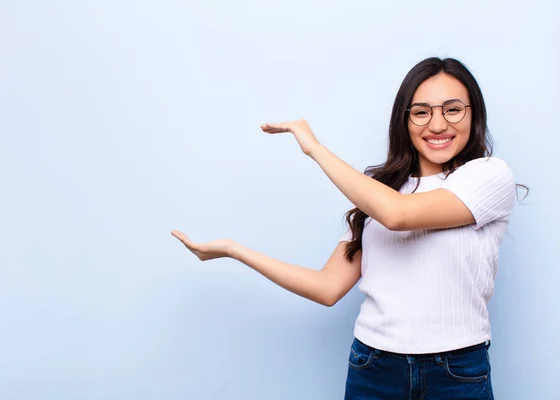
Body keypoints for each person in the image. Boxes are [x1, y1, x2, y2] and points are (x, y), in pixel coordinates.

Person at [171, 57, 523, 399]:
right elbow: (327, 287)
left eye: (452, 109)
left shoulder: (489, 176)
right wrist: (234, 250)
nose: (437, 124)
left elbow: (398, 215)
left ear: (473, 113)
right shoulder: (379, 190)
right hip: (374, 368)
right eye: (421, 112)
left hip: (457, 372)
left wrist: (314, 149)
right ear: (404, 121)